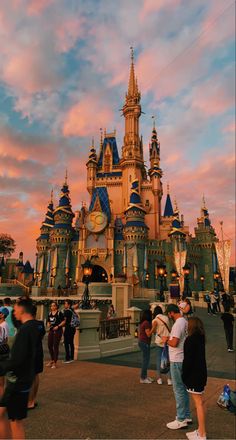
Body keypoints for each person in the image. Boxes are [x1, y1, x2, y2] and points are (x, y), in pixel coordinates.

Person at [0, 299, 40, 440]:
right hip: (23, 379)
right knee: (5, 415)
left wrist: (2, 367)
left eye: (15, 310)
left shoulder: (25, 331)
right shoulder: (34, 327)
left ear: (22, 310)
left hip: (18, 381)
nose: (14, 313)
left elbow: (18, 359)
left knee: (15, 421)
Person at [164, 304, 191, 430]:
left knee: (178, 389)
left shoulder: (177, 324)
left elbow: (174, 343)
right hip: (183, 358)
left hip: (176, 360)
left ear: (171, 313)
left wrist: (166, 340)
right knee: (184, 389)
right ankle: (187, 415)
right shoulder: (185, 321)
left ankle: (180, 419)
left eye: (168, 314)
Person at [182, 317, 207, 440]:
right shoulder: (201, 338)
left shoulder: (190, 340)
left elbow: (188, 361)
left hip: (193, 376)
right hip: (201, 374)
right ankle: (200, 430)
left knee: (198, 404)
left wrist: (184, 376)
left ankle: (202, 434)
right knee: (200, 402)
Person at [27, 305, 46, 409]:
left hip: (30, 353)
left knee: (30, 376)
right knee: (36, 375)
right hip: (39, 351)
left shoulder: (27, 325)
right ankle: (33, 399)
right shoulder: (40, 324)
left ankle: (30, 402)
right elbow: (41, 336)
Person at [148, 306, 172, 385]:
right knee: (168, 360)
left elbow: (153, 330)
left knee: (159, 360)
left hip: (159, 342)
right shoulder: (166, 318)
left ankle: (159, 378)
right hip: (167, 342)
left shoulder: (155, 320)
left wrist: (150, 332)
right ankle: (169, 379)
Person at [47, 302, 65, 368]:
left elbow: (64, 321)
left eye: (54, 306)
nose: (52, 307)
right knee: (49, 345)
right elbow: (48, 321)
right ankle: (52, 360)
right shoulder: (49, 313)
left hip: (58, 331)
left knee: (55, 345)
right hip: (51, 330)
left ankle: (55, 362)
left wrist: (58, 326)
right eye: (51, 306)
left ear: (56, 307)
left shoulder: (59, 313)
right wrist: (48, 324)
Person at [138, 309, 152, 384]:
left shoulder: (143, 322)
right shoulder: (146, 323)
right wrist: (153, 328)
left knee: (145, 360)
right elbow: (148, 334)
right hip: (144, 343)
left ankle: (145, 376)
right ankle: (143, 378)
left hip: (143, 342)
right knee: (145, 361)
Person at [0, 307, 10, 398]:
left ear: (2, 315)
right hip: (4, 352)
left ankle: (2, 403)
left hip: (1, 353)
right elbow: (6, 340)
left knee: (1, 383)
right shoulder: (5, 324)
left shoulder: (1, 326)